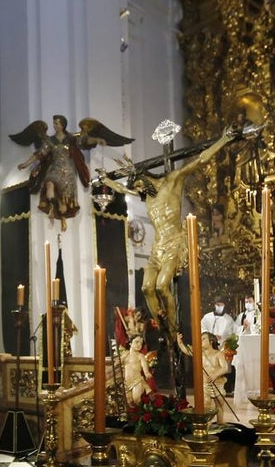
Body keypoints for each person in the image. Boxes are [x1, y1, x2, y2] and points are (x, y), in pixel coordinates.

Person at [95, 125, 239, 340]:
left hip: (174, 243)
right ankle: (162, 327)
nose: (140, 192)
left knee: (162, 286)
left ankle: (172, 331)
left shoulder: (173, 181)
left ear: (145, 178)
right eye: (138, 190)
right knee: (146, 288)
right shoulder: (147, 195)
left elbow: (199, 160)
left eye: (141, 187)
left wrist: (224, 139)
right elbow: (124, 190)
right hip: (157, 247)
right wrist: (107, 181)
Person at [11, 115, 133, 230]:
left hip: (68, 172)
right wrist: (25, 164)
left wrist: (98, 139)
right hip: (54, 169)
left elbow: (85, 141)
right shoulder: (50, 141)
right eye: (54, 123)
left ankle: (62, 215)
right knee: (49, 185)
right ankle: (55, 204)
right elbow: (39, 154)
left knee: (66, 197)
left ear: (62, 125)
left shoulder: (71, 139)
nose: (54, 125)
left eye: (57, 123)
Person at [177, 331, 231, 424]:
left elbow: (225, 368)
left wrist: (215, 375)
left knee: (220, 403)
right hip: (205, 384)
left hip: (217, 383)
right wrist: (180, 342)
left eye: (203, 339)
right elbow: (186, 350)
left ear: (211, 342)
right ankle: (207, 423)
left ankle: (220, 422)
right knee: (206, 403)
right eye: (200, 339)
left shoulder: (218, 354)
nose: (200, 341)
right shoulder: (198, 353)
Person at [121, 334, 155, 405]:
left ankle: (141, 412)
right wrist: (118, 362)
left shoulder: (140, 356)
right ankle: (134, 415)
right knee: (129, 401)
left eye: (141, 343)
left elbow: (144, 365)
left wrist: (146, 372)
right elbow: (118, 363)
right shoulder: (125, 355)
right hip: (126, 383)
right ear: (130, 343)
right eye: (137, 342)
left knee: (136, 398)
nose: (139, 345)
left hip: (137, 381)